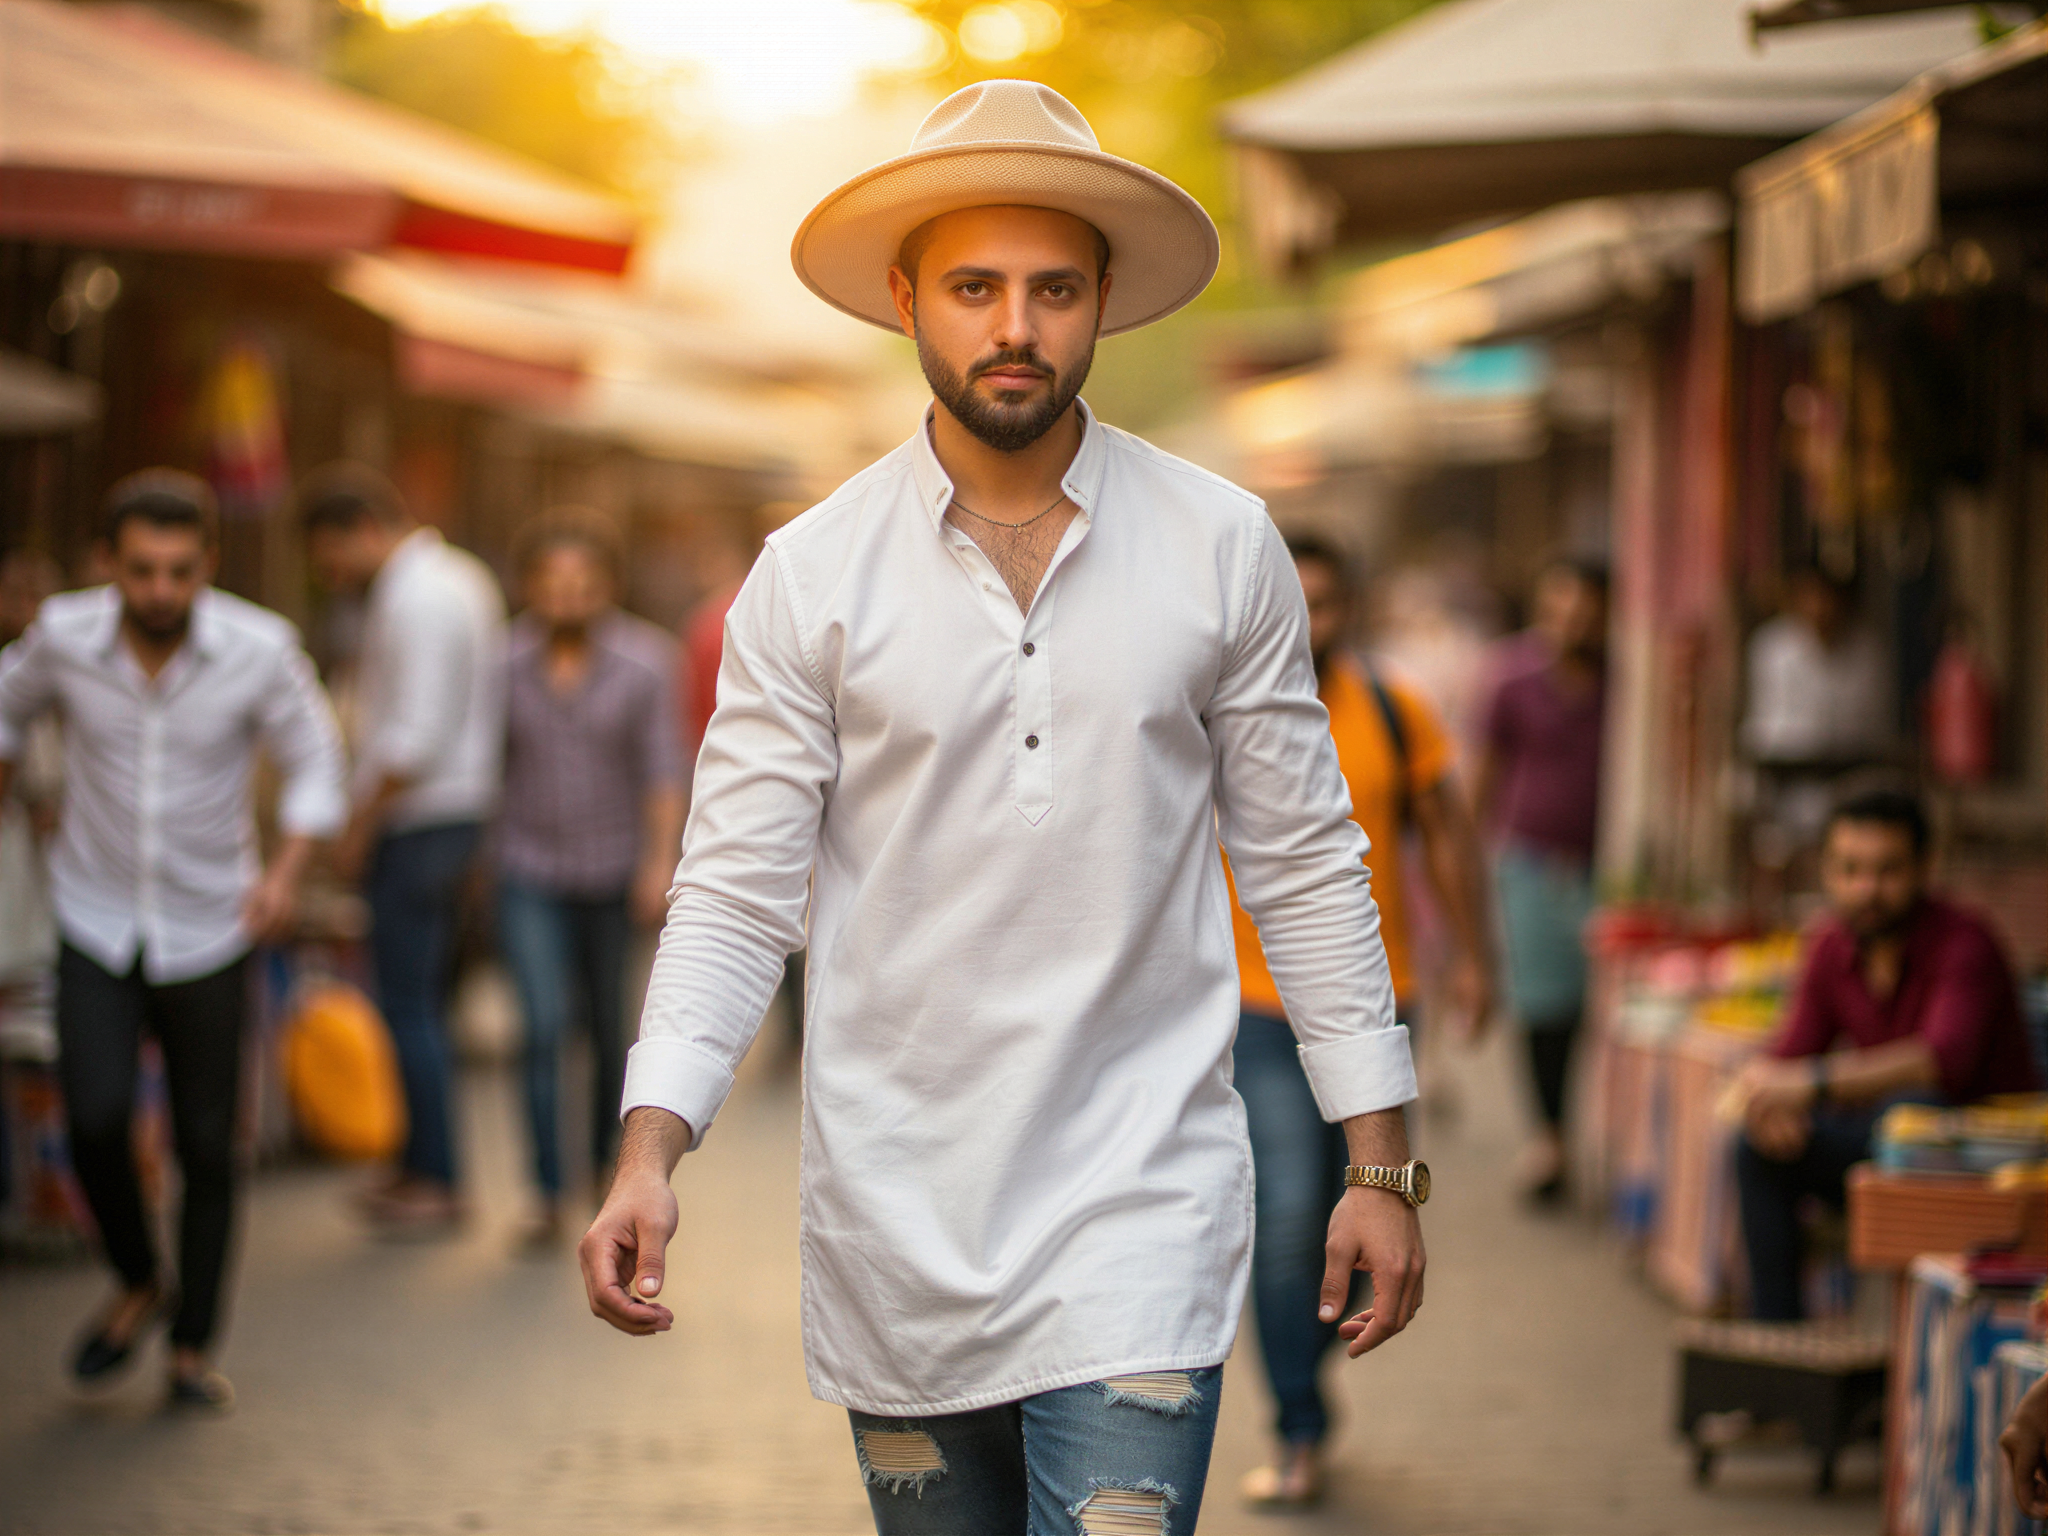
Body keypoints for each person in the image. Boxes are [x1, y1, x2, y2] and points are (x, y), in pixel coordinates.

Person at [579, 81, 1426, 1536]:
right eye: (974, 287)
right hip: (897, 1220)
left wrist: (1383, 1164)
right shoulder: (810, 574)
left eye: (1051, 288)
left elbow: (1305, 864)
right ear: (908, 297)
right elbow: (733, 892)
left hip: (1141, 1208)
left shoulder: (1222, 546)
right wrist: (650, 1147)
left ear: (1105, 301)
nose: (1014, 327)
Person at [0, 471, 346, 1408]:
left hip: (214, 924)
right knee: (95, 1119)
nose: (161, 591)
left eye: (181, 571)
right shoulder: (63, 638)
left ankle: (192, 1348)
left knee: (207, 1144)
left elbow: (316, 759)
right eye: (142, 570)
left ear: (209, 564)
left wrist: (285, 873)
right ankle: (139, 1278)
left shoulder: (259, 648)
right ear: (109, 565)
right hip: (94, 917)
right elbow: (6, 708)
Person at [1229, 535, 1492, 1508]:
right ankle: (1298, 1425)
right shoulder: (1220, 706)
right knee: (1290, 1215)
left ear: (1354, 610)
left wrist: (1475, 958)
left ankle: (1307, 1375)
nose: (1308, 624)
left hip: (1382, 1001)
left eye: (1326, 605)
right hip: (1250, 1008)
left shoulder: (1392, 708)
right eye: (1290, 604)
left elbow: (1448, 838)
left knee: (1361, 1215)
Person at [1731, 787, 2034, 1320]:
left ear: (1925, 867)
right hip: (1881, 1146)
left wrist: (1812, 1085)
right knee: (1756, 1148)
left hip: (1986, 1163)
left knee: (1911, 1110)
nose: (1867, 889)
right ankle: (1778, 1347)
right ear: (1826, 872)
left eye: (1887, 871)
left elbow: (1941, 1063)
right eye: (1850, 870)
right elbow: (1787, 1058)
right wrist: (1769, 1104)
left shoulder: (1967, 943)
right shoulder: (1830, 946)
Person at [301, 464, 505, 1235]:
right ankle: (418, 1165)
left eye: (331, 557)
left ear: (363, 531)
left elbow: (412, 738)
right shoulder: (456, 579)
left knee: (409, 1002)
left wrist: (357, 826)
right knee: (417, 1000)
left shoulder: (416, 597)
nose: (331, 576)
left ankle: (436, 1176)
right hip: (451, 817)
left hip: (421, 822)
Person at [498, 508, 685, 1242]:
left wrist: (657, 861)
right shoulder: (503, 662)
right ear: (531, 587)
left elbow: (664, 768)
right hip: (529, 865)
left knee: (609, 1028)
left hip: (613, 867)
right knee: (540, 1026)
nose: (569, 597)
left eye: (584, 583)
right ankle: (546, 1190)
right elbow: (492, 762)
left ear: (608, 585)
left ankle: (607, 1175)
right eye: (555, 583)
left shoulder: (646, 661)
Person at [1473, 557, 1608, 1201]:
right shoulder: (1512, 679)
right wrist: (1473, 860)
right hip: (1529, 864)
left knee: (1592, 1011)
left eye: (1584, 611)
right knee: (1541, 1007)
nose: (1571, 624)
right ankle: (1547, 1137)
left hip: (1605, 872)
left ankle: (1587, 1134)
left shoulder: (1626, 685)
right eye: (1560, 610)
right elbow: (1485, 772)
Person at [1742, 565, 1891, 866]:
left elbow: (1872, 721)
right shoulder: (1773, 648)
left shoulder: (1866, 650)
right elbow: (1768, 723)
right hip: (1785, 770)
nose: (1818, 607)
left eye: (1825, 597)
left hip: (1848, 769)